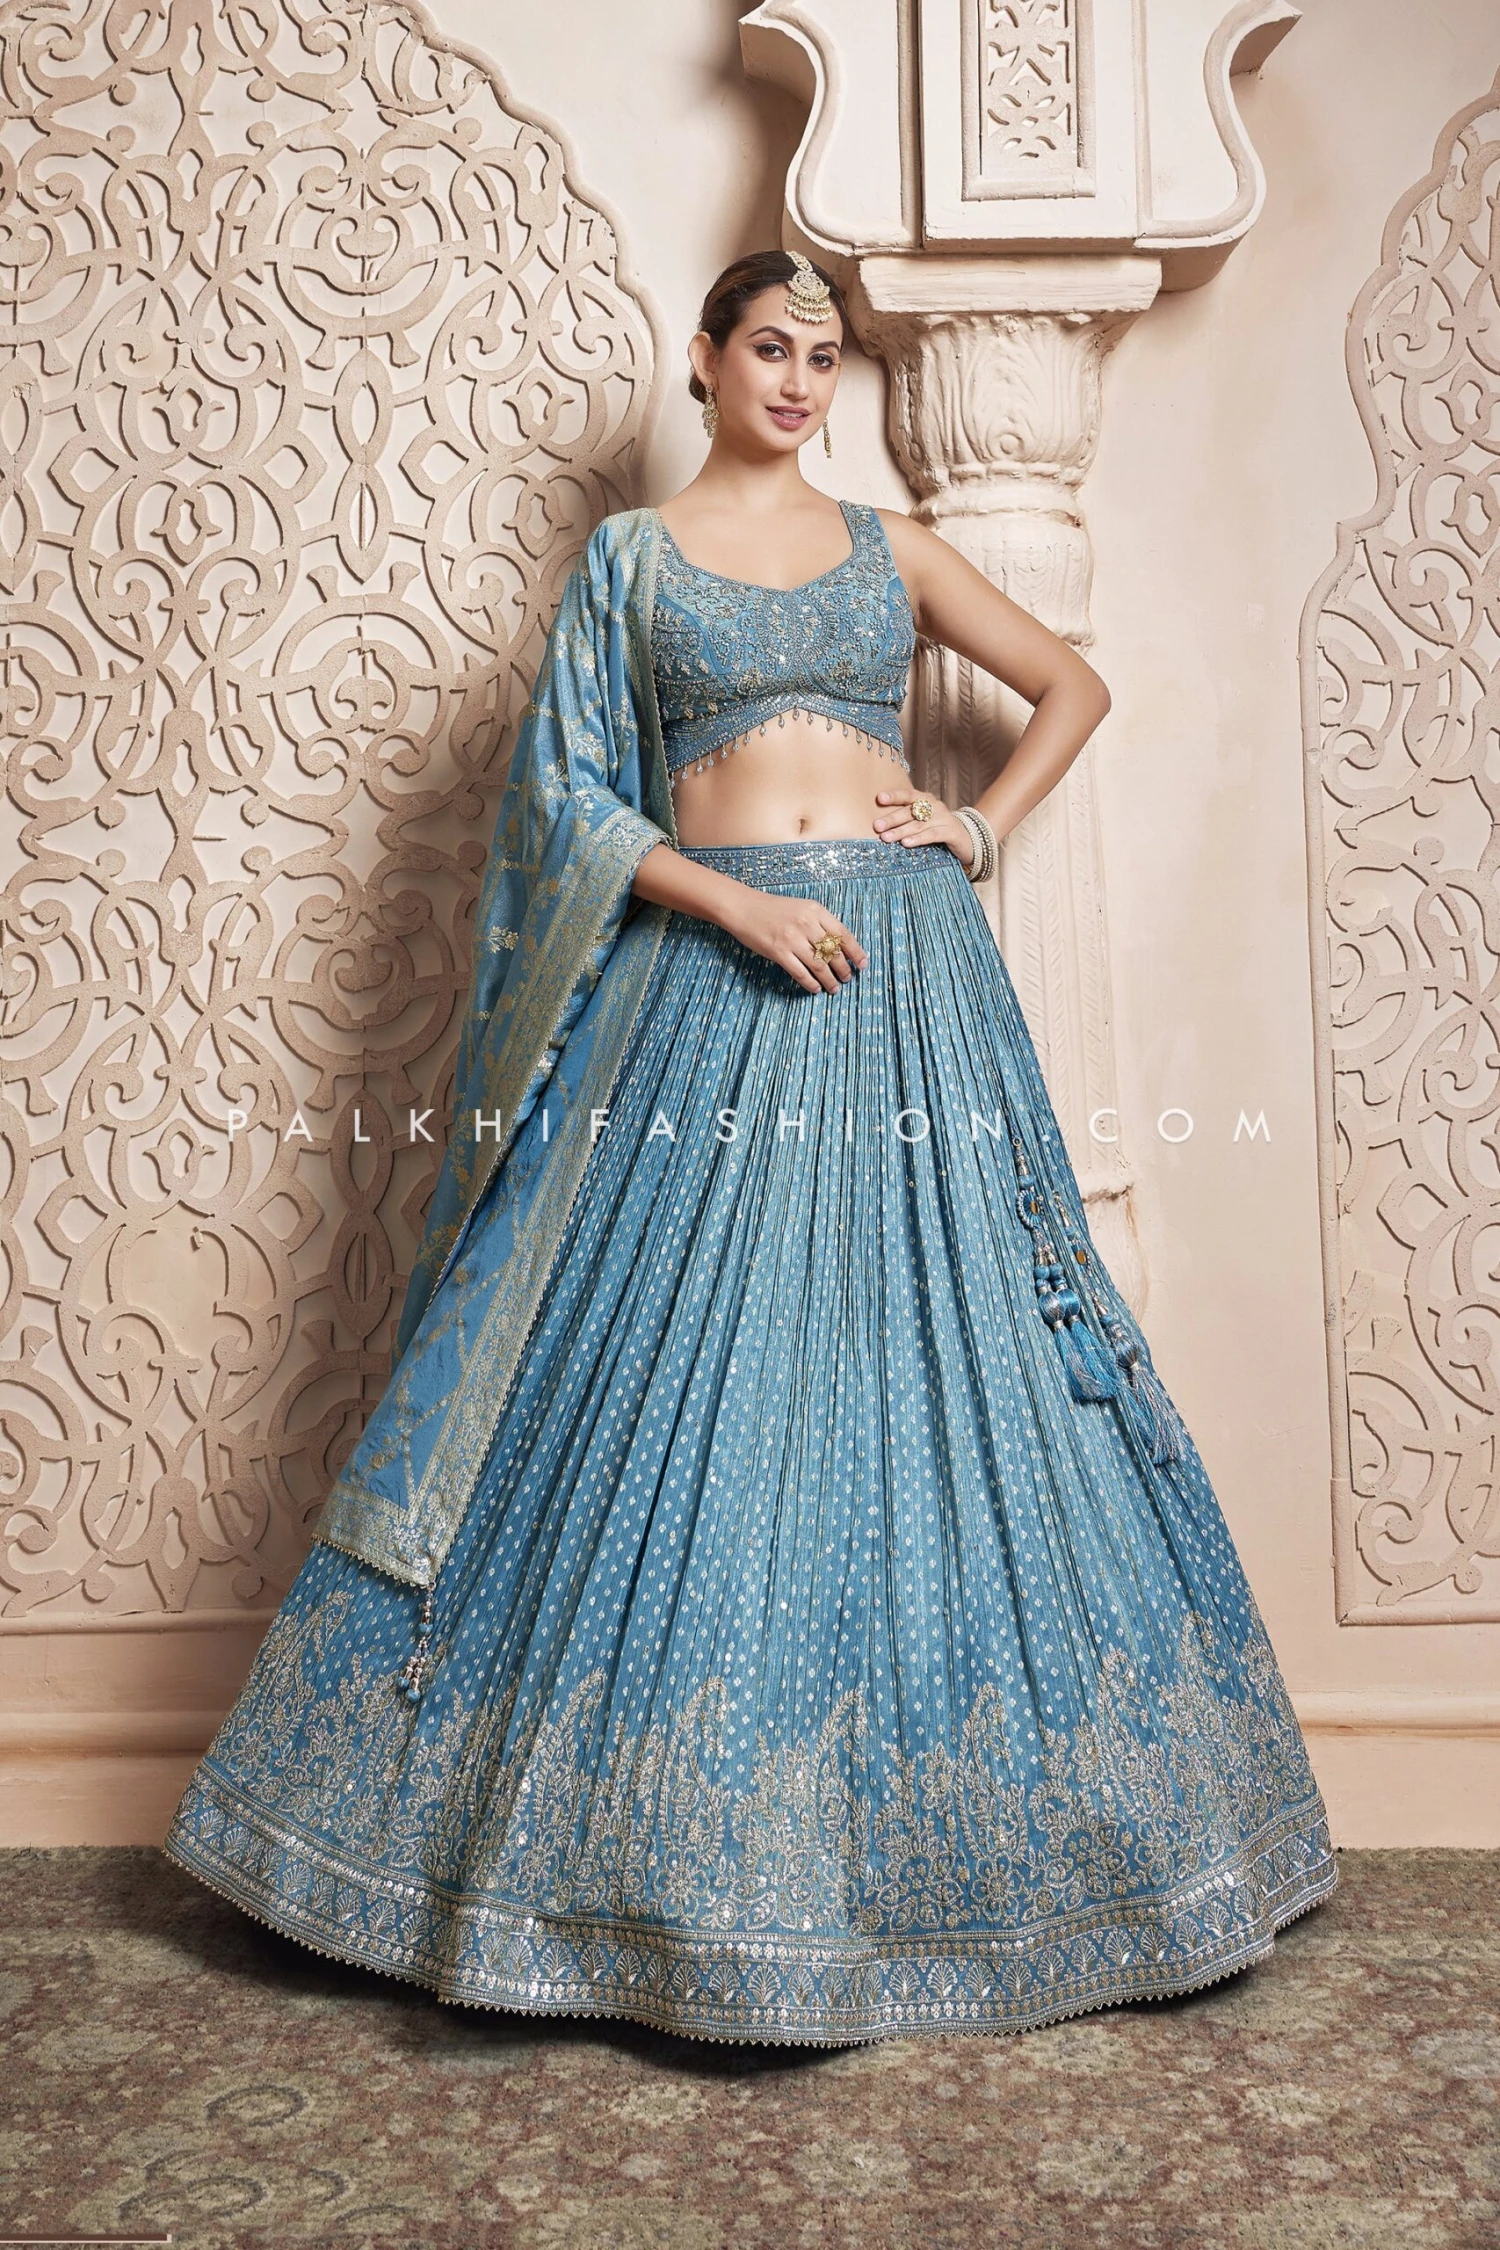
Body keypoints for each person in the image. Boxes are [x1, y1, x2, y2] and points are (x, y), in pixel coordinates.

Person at [163, 250, 1337, 2044]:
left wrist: (971, 829)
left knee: (936, 1359)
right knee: (662, 1374)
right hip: (705, 974)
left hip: (900, 979)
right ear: (704, 362)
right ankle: (615, 1877)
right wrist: (733, 903)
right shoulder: (632, 562)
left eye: (824, 354)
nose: (800, 376)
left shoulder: (891, 549)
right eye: (770, 347)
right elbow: (567, 801)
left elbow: (1073, 688)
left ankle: (1008, 1861)